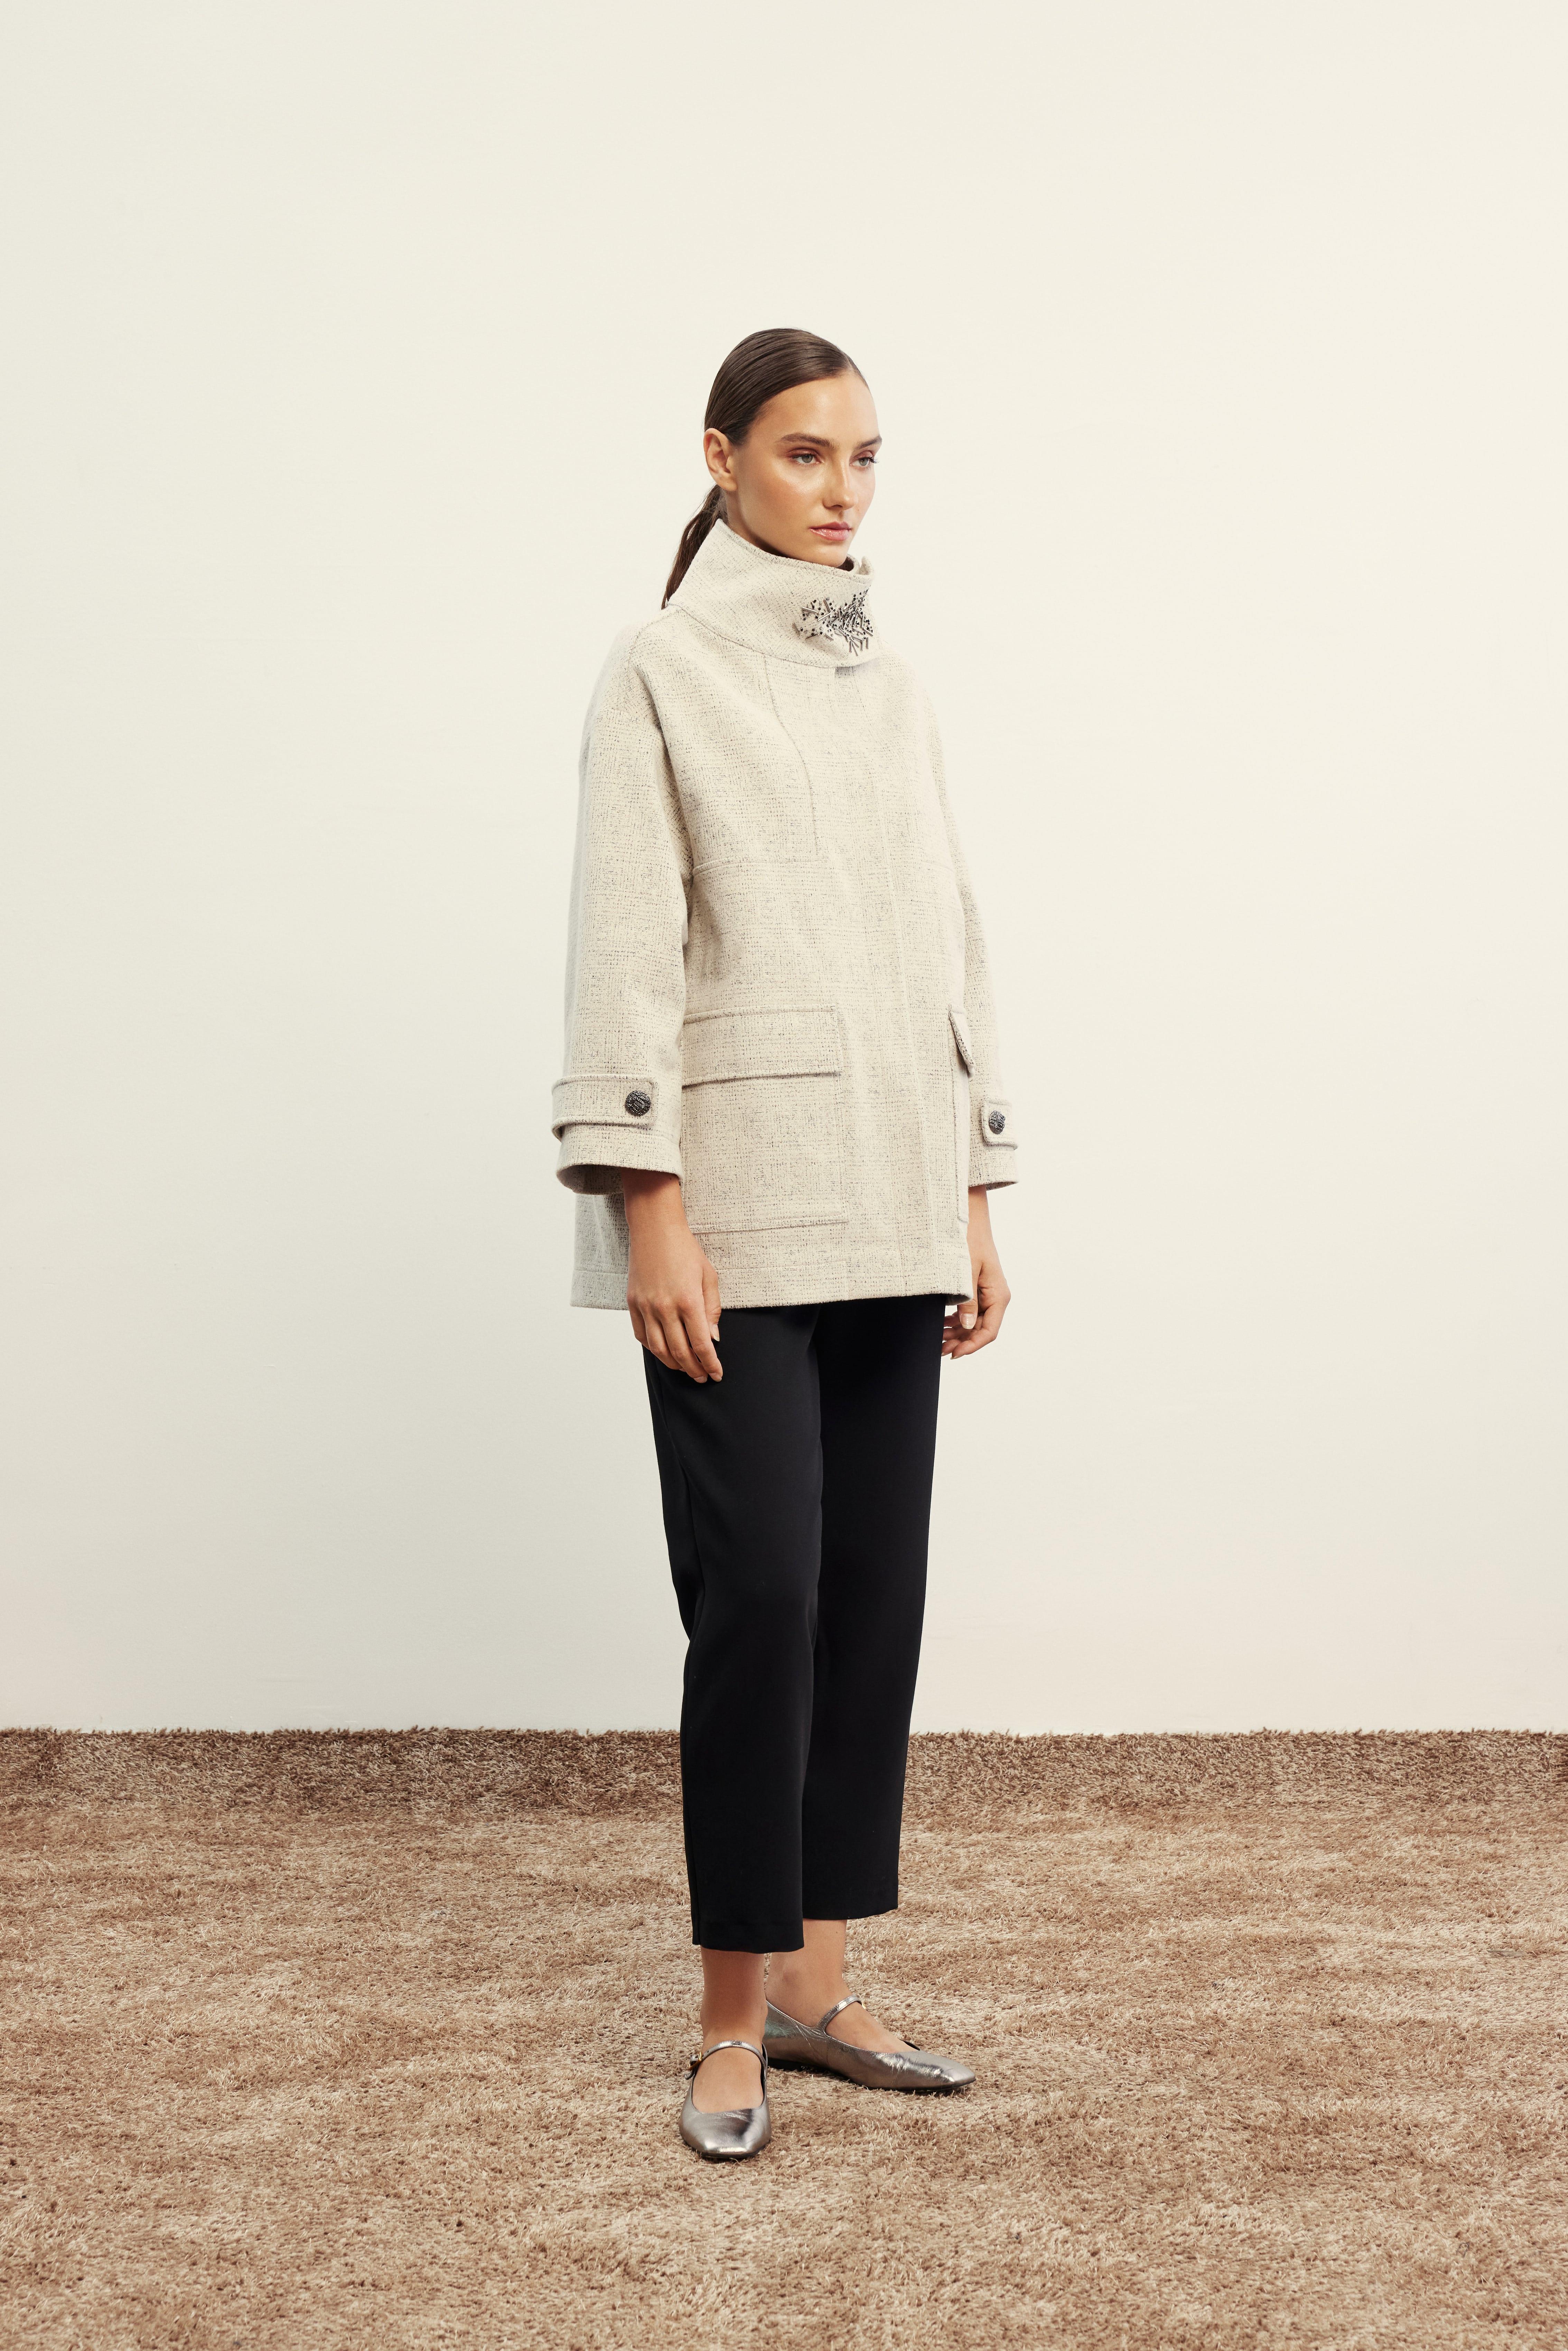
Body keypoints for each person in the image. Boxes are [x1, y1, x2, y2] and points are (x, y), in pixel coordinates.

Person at [551, 328, 1018, 2160]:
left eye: (866, 457)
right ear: (722, 457)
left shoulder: (890, 684)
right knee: (757, 1601)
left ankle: (825, 1990)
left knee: (868, 1598)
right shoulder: (661, 668)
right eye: (808, 452)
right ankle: (731, 2019)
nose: (842, 488)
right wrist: (646, 1206)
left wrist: (973, 1185)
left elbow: (947, 937)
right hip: (735, 1210)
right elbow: (624, 942)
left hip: (896, 1190)